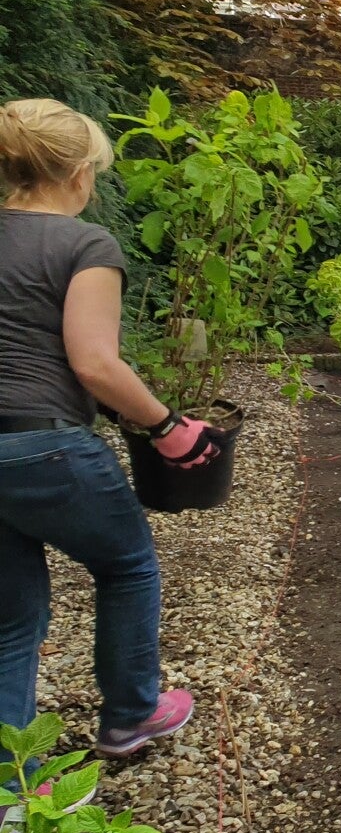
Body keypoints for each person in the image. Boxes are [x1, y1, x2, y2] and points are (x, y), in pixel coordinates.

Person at [0, 99, 206, 755]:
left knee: (11, 621)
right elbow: (94, 363)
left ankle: (10, 788)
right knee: (127, 565)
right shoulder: (85, 244)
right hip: (45, 446)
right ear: (79, 173)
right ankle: (131, 714)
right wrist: (169, 426)